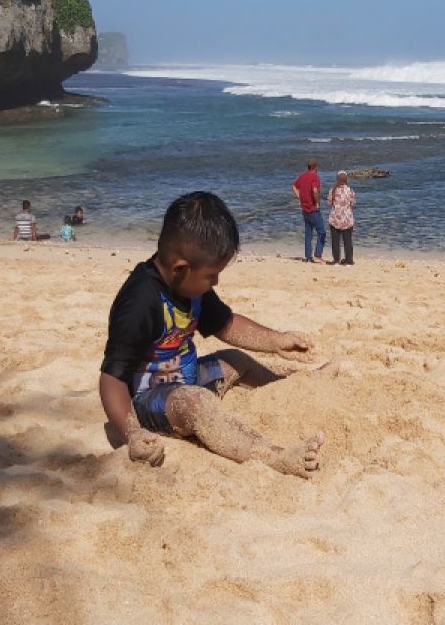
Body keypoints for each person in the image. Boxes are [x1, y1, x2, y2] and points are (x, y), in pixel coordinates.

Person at [98, 191, 324, 477]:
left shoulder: (189, 285)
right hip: (151, 400)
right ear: (181, 268)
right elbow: (111, 378)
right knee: (197, 403)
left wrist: (275, 341)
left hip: (190, 376)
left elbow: (226, 324)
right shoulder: (139, 302)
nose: (215, 282)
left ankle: (294, 380)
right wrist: (131, 432)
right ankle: (273, 456)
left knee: (235, 359)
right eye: (212, 275)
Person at [292, 159, 326, 263]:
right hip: (312, 209)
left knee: (308, 233)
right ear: (316, 167)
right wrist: (317, 202)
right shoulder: (314, 177)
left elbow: (294, 186)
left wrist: (300, 198)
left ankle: (307, 256)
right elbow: (315, 190)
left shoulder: (302, 176)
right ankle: (317, 255)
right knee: (322, 232)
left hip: (304, 209)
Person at [327, 170, 356, 265]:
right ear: (346, 179)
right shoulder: (350, 190)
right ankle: (349, 260)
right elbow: (353, 203)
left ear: (337, 179)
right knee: (347, 241)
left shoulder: (333, 190)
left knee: (335, 241)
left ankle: (336, 260)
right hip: (347, 219)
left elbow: (329, 203)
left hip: (335, 218)